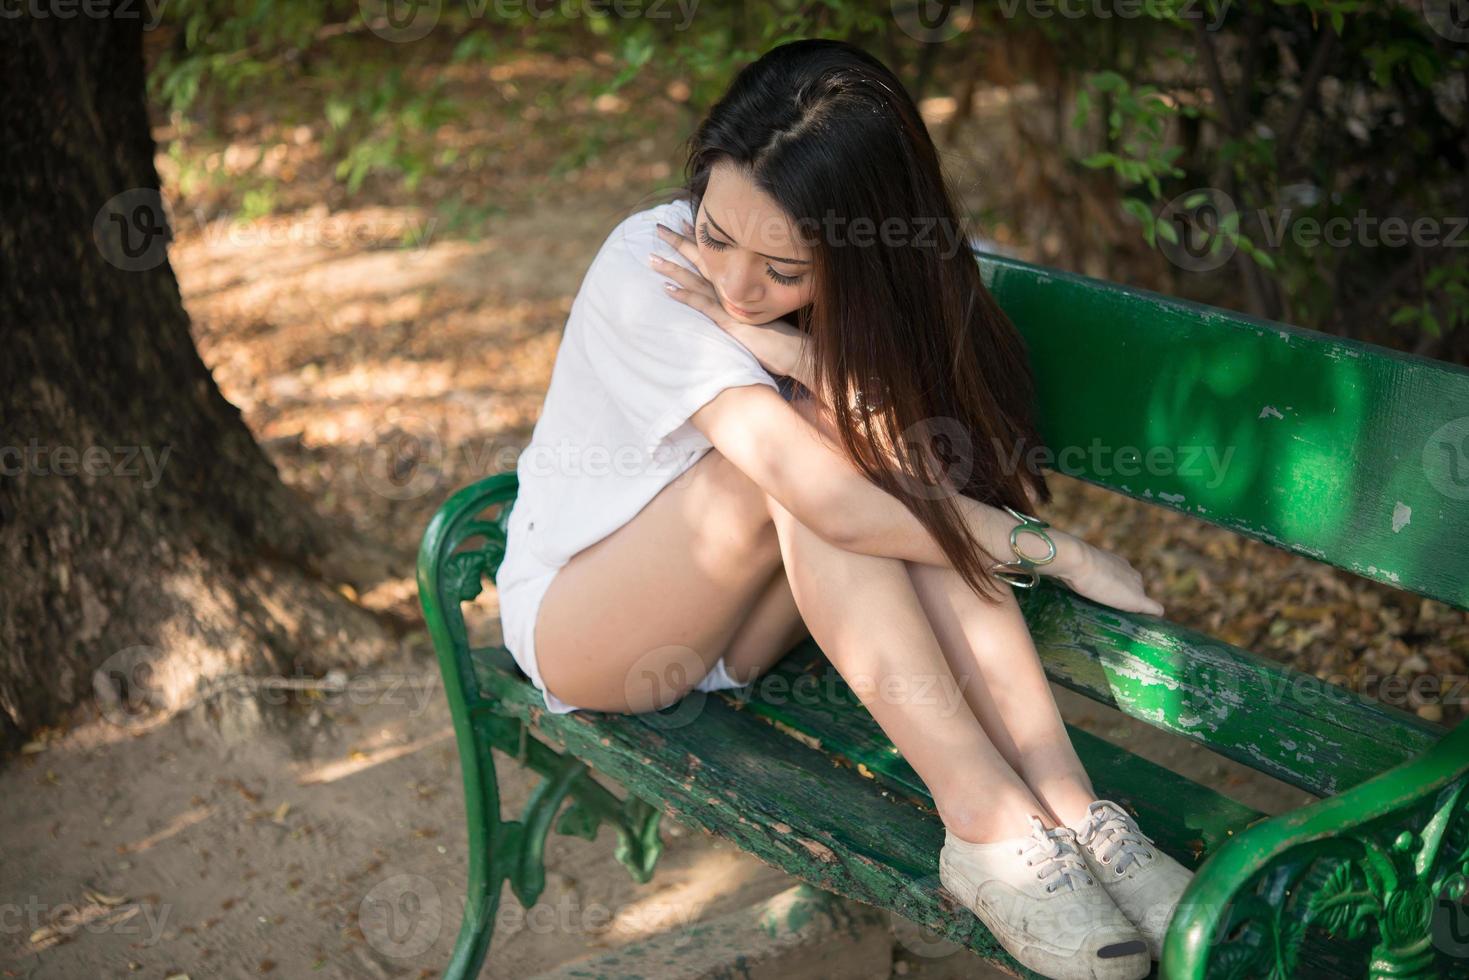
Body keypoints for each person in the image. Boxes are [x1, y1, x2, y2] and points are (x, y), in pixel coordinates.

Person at [496, 37, 1192, 980]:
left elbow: (909, 479)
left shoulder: (886, 289)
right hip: (591, 624)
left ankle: (1071, 813)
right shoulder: (649, 264)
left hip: (749, 623)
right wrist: (1056, 552)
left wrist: (802, 359)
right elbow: (830, 498)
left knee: (872, 477)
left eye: (782, 271)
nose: (737, 289)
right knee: (798, 474)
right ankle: (985, 831)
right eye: (717, 233)